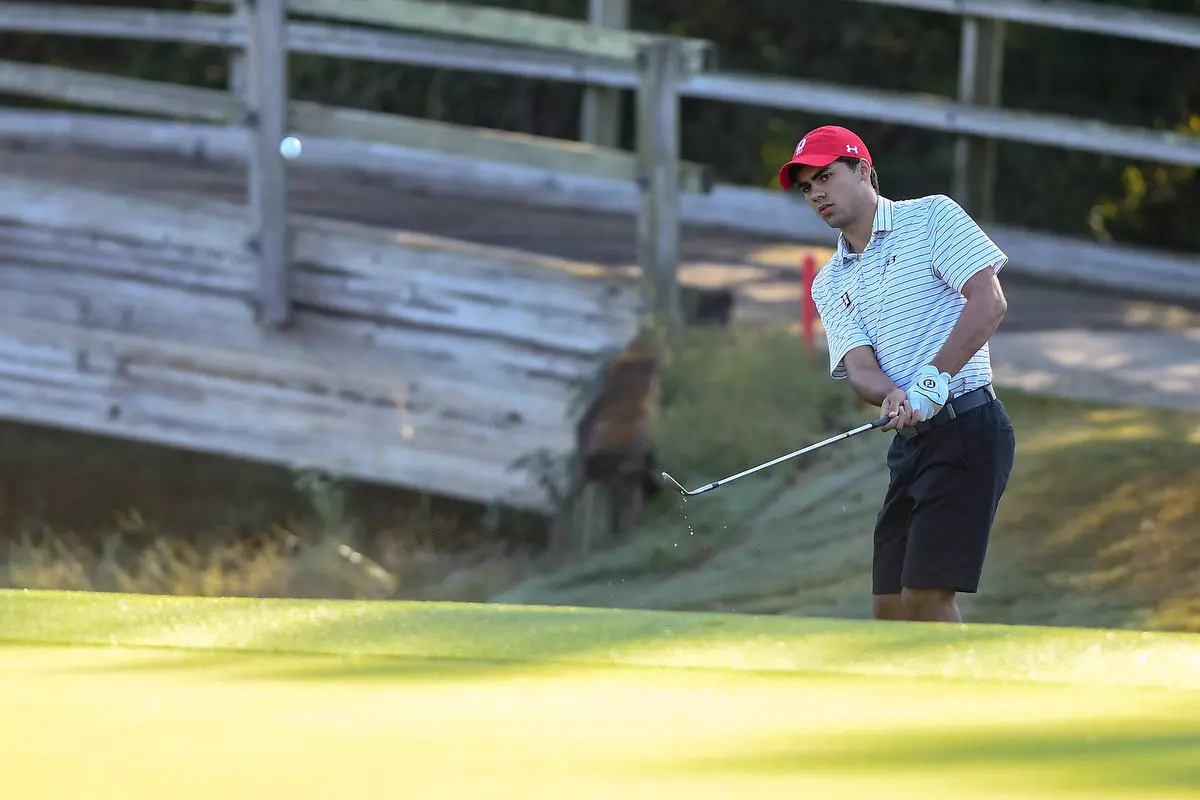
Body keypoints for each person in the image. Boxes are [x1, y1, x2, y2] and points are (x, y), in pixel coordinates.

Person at [777, 125, 1016, 624]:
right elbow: (860, 368)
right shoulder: (831, 281)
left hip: (968, 429)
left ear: (863, 170)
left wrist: (933, 380)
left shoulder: (932, 217)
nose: (816, 192)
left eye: (826, 176)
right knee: (889, 605)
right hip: (912, 443)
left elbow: (989, 300)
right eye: (806, 187)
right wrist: (891, 396)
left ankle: (961, 699)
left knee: (925, 597)